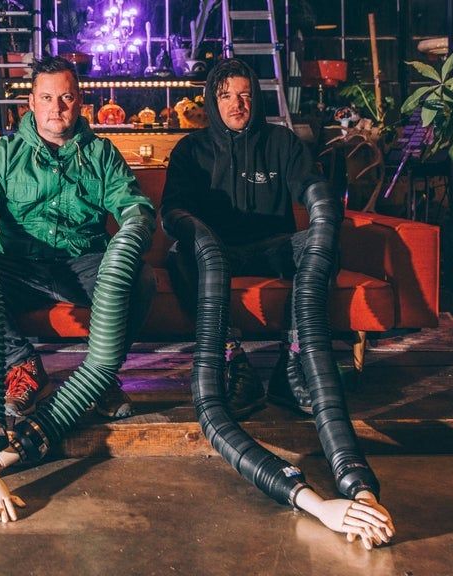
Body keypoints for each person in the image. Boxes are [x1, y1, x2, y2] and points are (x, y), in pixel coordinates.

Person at [162, 58, 394, 549]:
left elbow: (311, 185)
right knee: (182, 254)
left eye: (245, 95)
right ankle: (232, 362)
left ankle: (294, 366)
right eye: (226, 96)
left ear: (258, 98)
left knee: (321, 245)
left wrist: (321, 208)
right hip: (215, 251)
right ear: (212, 101)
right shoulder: (191, 150)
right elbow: (172, 209)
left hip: (273, 246)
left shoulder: (282, 143)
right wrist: (198, 234)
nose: (237, 104)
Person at [0, 55, 156, 523]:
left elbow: (133, 204)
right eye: (46, 98)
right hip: (18, 264)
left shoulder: (101, 154)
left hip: (84, 262)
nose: (56, 107)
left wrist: (133, 227)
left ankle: (101, 377)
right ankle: (22, 365)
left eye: (65, 97)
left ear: (79, 101)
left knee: (141, 280)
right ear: (31, 102)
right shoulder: (4, 154)